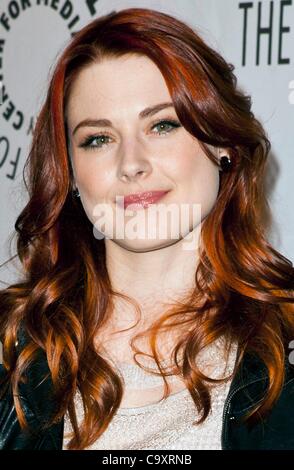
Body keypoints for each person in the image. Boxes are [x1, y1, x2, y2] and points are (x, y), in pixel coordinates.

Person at [0, 7, 294, 451]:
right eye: (98, 138)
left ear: (222, 144)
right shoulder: (12, 347)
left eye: (162, 125)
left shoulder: (286, 341)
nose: (131, 164)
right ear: (70, 173)